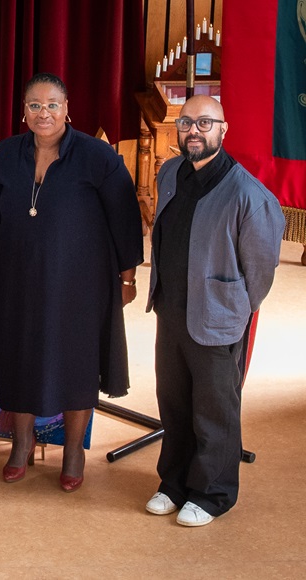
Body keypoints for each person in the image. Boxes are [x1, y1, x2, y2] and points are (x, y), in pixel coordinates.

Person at [0, 73, 143, 492]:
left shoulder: (97, 156)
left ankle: (73, 450)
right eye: (35, 105)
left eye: (53, 104)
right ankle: (21, 443)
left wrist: (127, 276)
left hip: (80, 285)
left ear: (68, 109)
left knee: (75, 363)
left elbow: (124, 218)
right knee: (19, 358)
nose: (44, 113)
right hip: (17, 279)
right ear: (24, 112)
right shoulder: (4, 156)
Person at [143, 95, 284, 527]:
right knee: (175, 404)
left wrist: (233, 308)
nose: (194, 131)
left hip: (217, 320)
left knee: (214, 409)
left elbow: (260, 271)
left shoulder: (248, 196)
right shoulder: (170, 173)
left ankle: (213, 493)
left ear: (224, 130)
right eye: (186, 123)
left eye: (206, 122)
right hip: (171, 312)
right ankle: (174, 483)